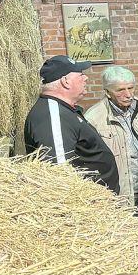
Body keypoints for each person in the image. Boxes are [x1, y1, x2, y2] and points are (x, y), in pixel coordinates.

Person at [24, 55, 120, 194]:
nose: (85, 78)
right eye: (80, 74)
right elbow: (58, 171)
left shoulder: (63, 109)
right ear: (66, 81)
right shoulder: (52, 115)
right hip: (87, 206)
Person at [85, 66, 138, 213]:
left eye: (131, 88)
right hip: (121, 191)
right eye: (121, 90)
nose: (128, 94)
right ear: (107, 92)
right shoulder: (94, 118)